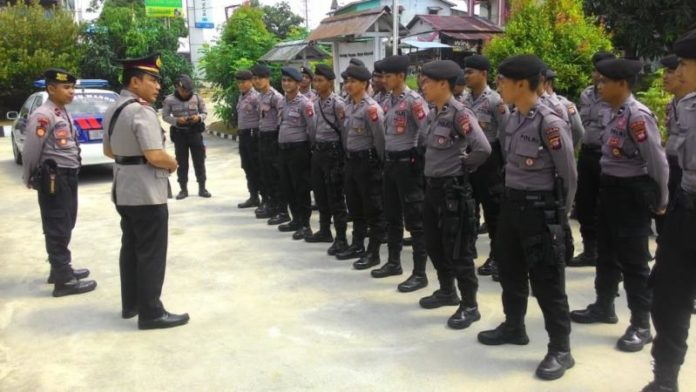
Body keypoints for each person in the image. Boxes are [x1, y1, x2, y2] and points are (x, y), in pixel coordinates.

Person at [477, 54, 577, 381]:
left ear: (521, 84)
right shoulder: (512, 118)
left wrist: (560, 218)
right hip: (512, 206)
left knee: (547, 281)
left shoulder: (550, 122)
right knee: (510, 270)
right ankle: (514, 326)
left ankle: (561, 349)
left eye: (502, 81)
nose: (498, 86)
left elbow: (569, 175)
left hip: (540, 210)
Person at [570, 58, 669, 353]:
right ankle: (604, 305)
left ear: (622, 85)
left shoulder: (637, 117)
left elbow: (657, 162)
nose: (599, 86)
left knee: (634, 262)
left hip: (631, 195)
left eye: (605, 82)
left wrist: (661, 200)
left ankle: (641, 324)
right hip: (610, 190)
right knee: (606, 252)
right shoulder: (614, 113)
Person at [102, 52, 189, 329]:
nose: (158, 86)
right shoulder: (141, 110)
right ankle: (151, 312)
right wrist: (173, 162)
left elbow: (108, 150)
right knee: (150, 252)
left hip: (124, 189)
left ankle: (132, 304)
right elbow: (154, 155)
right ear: (135, 81)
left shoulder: (114, 107)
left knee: (130, 248)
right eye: (152, 79)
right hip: (146, 192)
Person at [418, 59, 491, 329]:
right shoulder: (433, 112)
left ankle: (470, 305)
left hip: (453, 191)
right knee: (434, 244)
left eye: (427, 82)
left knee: (459, 249)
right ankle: (447, 290)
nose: (423, 86)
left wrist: (462, 168)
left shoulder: (460, 113)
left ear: (443, 84)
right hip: (432, 190)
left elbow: (483, 148)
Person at [642, 29, 696, 392]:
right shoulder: (686, 105)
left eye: (687, 64)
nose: (680, 71)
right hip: (687, 208)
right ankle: (665, 379)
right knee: (668, 296)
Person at [22, 68, 97, 297]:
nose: (71, 91)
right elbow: (31, 149)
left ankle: (60, 269)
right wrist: (30, 176)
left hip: (67, 176)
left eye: (72, 87)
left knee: (66, 221)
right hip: (53, 178)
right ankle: (64, 281)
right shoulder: (43, 115)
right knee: (57, 224)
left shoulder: (61, 112)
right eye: (66, 87)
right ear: (51, 88)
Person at [369, 55, 430, 293]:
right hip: (391, 164)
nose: (384, 80)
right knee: (392, 216)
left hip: (408, 165)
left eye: (388, 76)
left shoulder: (414, 101)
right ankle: (394, 263)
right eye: (382, 76)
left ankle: (420, 273)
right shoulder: (386, 101)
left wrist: (416, 158)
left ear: (401, 76)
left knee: (415, 220)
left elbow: (426, 131)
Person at [462, 54, 509, 281]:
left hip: (491, 162)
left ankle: (499, 257)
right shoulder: (465, 99)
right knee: (469, 208)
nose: (466, 76)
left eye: (470, 72)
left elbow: (507, 134)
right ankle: (467, 250)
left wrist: (505, 165)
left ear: (484, 74)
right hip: (471, 158)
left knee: (494, 213)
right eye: (465, 72)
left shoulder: (495, 101)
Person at [334, 64, 387, 271]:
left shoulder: (371, 108)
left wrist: (379, 163)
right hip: (351, 161)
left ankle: (372, 252)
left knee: (372, 208)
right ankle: (357, 245)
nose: (348, 85)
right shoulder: (347, 106)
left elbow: (379, 139)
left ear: (364, 84)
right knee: (354, 205)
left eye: (353, 81)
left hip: (368, 162)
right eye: (346, 81)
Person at [569, 51, 616, 267]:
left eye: (599, 71)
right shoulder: (587, 94)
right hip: (587, 154)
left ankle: (609, 256)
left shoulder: (616, 96)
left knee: (607, 206)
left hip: (608, 156)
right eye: (595, 70)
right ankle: (590, 250)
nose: (595, 75)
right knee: (585, 202)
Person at [305, 64, 350, 255]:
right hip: (319, 152)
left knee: (335, 196)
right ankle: (324, 231)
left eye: (320, 80)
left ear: (330, 82)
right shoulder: (315, 102)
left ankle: (341, 238)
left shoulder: (337, 103)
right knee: (320, 193)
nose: (316, 83)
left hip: (333, 153)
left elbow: (344, 131)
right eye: (315, 80)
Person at [276, 66, 316, 239]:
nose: (286, 83)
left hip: (299, 150)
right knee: (287, 187)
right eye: (284, 80)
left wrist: (308, 149)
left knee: (301, 188)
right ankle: (295, 220)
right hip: (284, 150)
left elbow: (312, 128)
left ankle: (306, 225)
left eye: (290, 81)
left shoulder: (305, 103)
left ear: (298, 84)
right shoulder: (282, 102)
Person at [252, 63, 290, 225]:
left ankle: (282, 211)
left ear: (267, 79)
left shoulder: (276, 97)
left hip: (274, 138)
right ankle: (271, 205)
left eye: (260, 78)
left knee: (276, 176)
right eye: (254, 78)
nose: (257, 81)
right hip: (263, 137)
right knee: (265, 174)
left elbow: (282, 120)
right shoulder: (260, 97)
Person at [162, 74, 211, 199]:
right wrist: (177, 121)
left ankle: (202, 188)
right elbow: (165, 116)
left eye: (188, 90)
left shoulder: (197, 98)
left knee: (199, 162)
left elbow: (205, 112)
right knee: (181, 163)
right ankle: (183, 189)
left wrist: (198, 117)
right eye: (183, 90)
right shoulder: (169, 100)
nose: (185, 93)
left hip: (195, 133)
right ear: (177, 87)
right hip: (180, 135)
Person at [655, 54, 686, 235]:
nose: (665, 76)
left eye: (671, 71)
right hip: (671, 165)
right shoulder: (672, 103)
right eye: (664, 71)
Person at [234, 69, 264, 209]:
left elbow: (261, 118)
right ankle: (253, 196)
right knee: (247, 167)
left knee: (257, 167)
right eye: (239, 82)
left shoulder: (256, 97)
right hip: (244, 136)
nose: (241, 85)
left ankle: (265, 198)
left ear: (251, 81)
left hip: (253, 135)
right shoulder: (241, 96)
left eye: (244, 82)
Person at [543, 69, 585, 147]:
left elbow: (578, 131)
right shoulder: (534, 105)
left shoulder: (566, 105)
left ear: (547, 83)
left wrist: (568, 147)